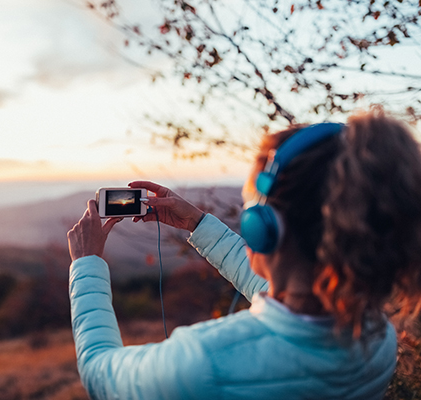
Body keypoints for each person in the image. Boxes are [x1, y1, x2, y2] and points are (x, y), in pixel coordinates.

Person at [66, 108, 421, 399]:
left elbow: (100, 373)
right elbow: (280, 290)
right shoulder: (377, 337)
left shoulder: (204, 363)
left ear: (265, 227)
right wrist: (198, 224)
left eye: (252, 205)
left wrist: (86, 264)